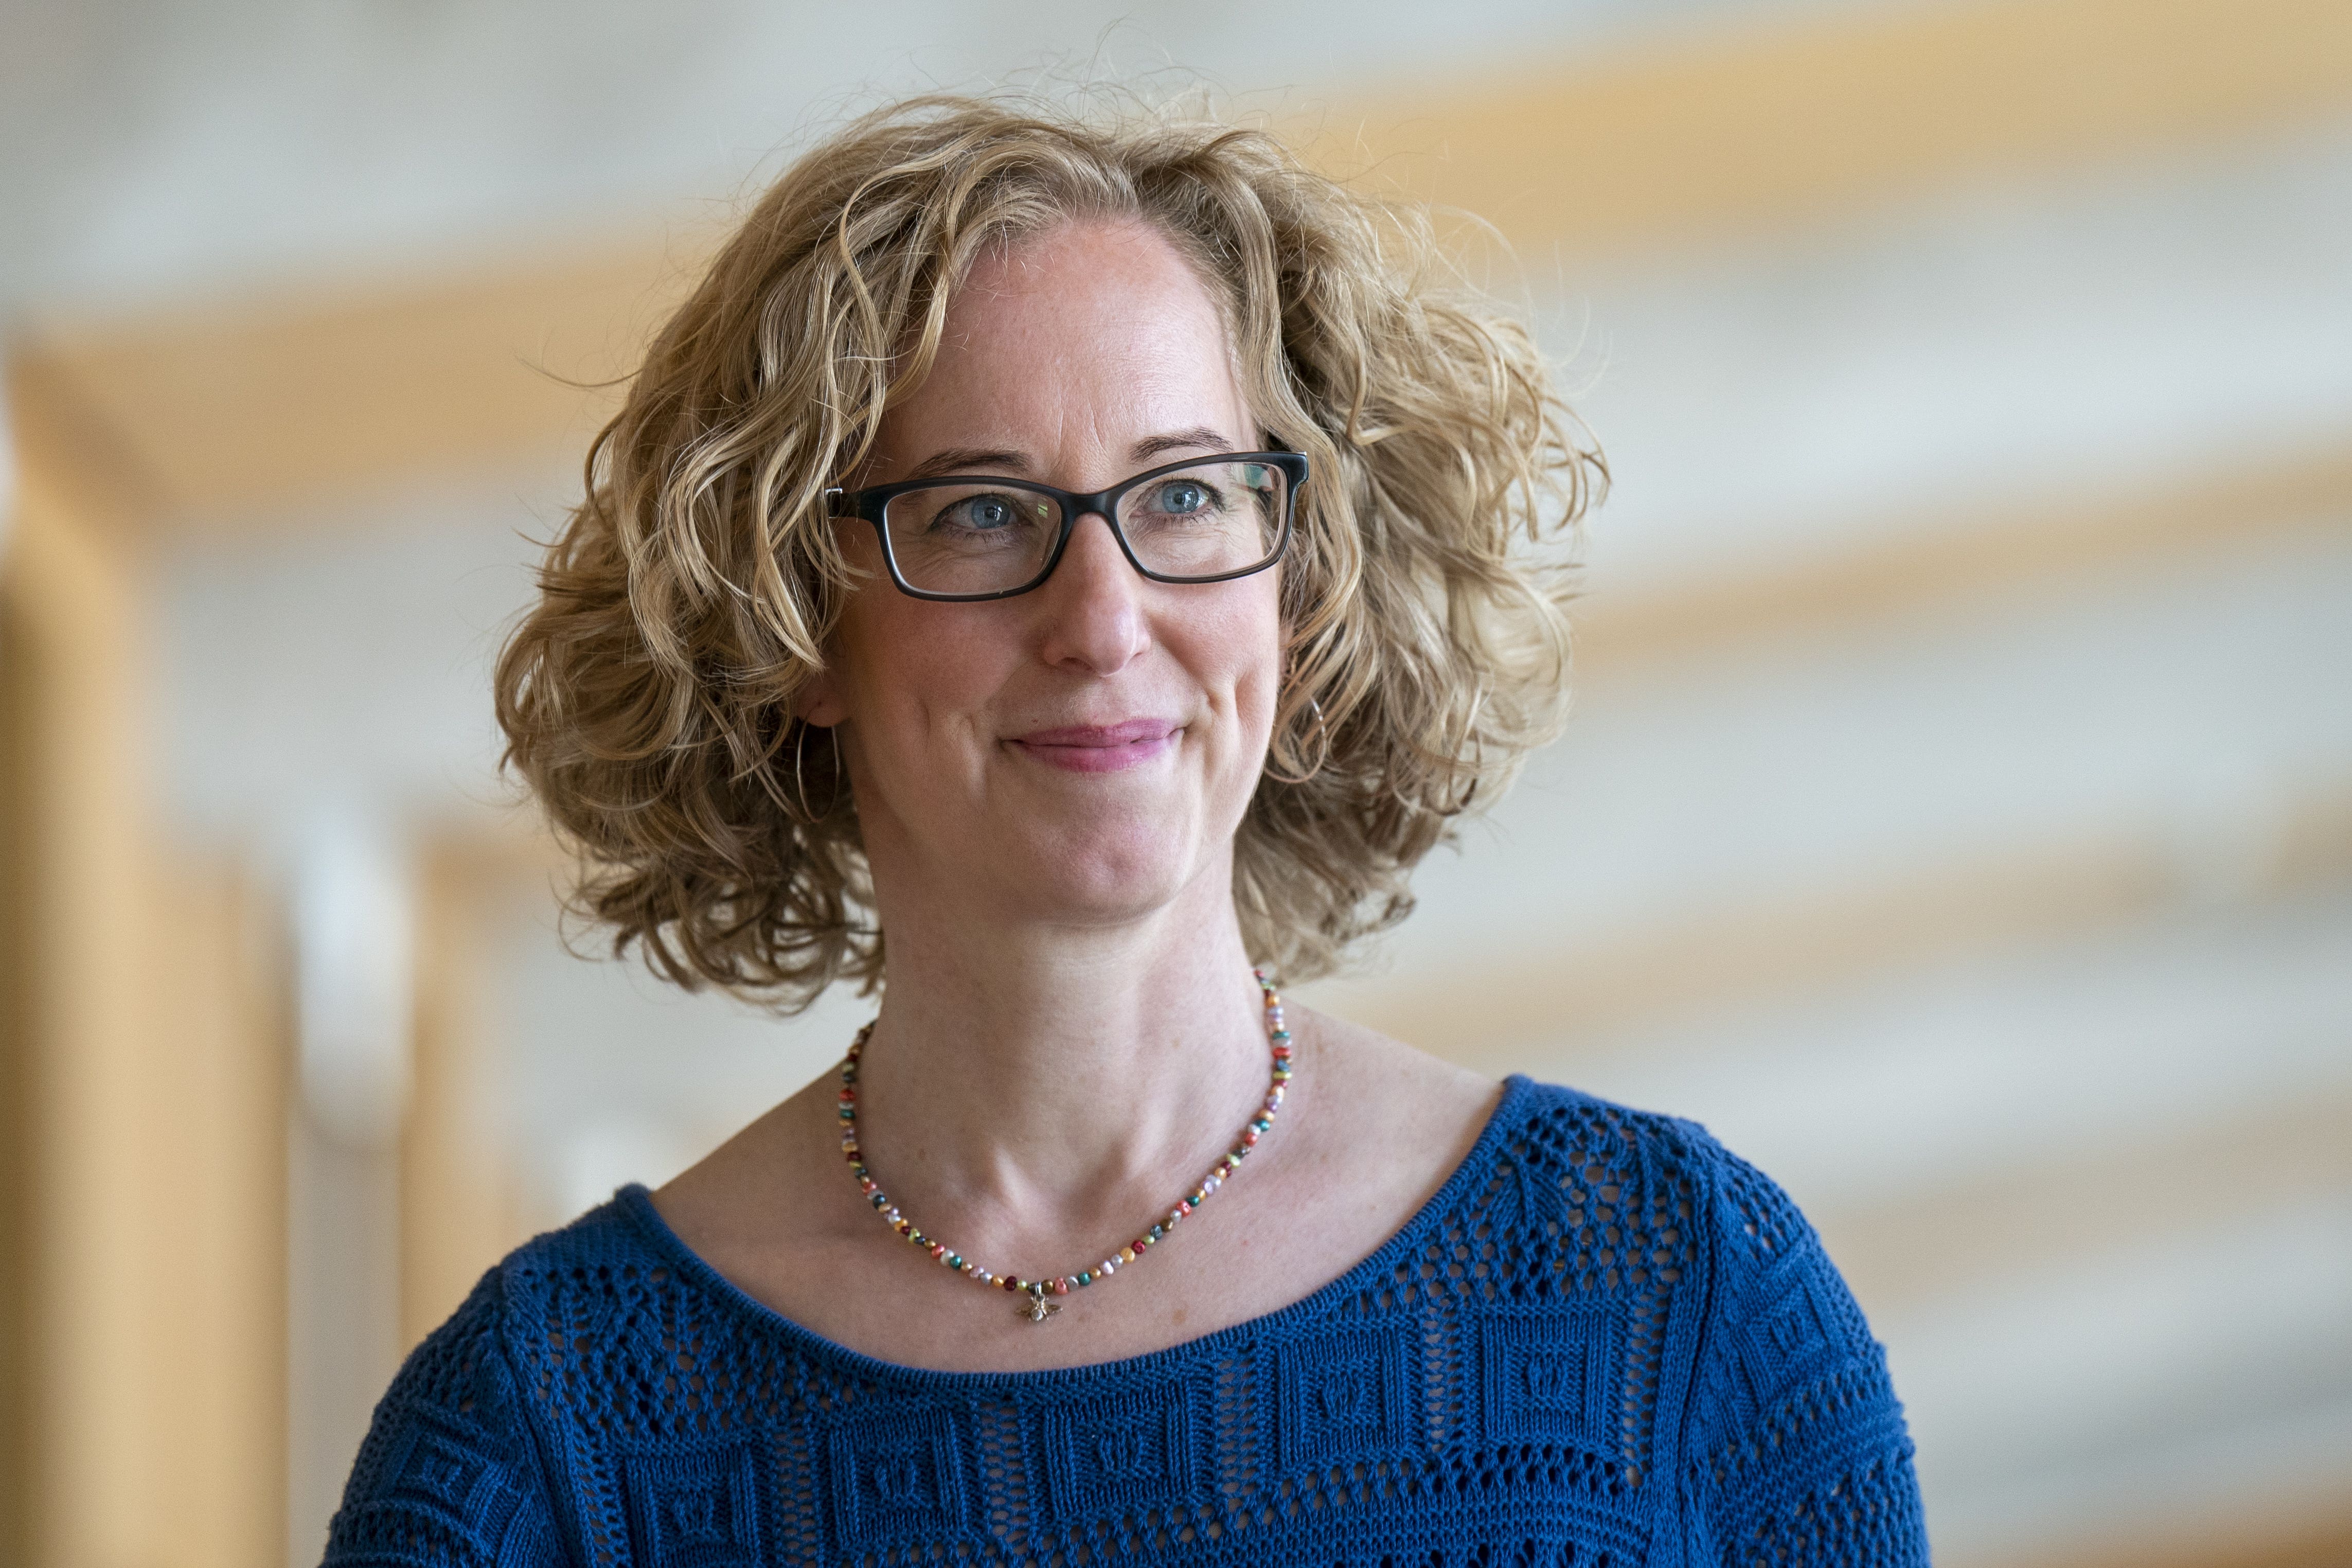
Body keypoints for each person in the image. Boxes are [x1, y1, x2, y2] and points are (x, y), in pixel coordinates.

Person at [324, 94, 1929, 1565]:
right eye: (977, 511)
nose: (1102, 618)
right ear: (794, 626)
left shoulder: (1670, 1291)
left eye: (1183, 498)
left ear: (1301, 587)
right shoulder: (546, 1439)